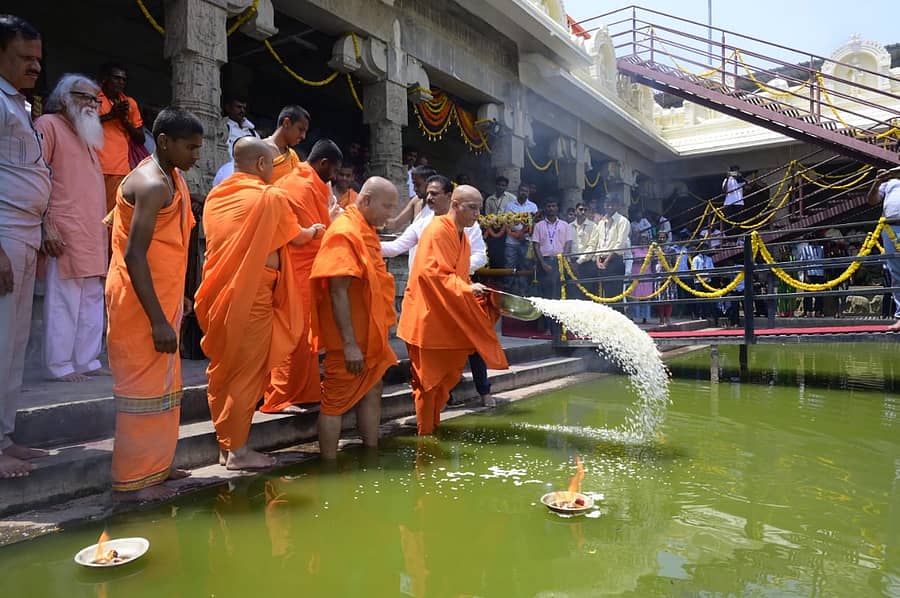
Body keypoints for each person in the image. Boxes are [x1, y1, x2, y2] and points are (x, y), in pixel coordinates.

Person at [195, 137, 324, 470]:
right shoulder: (271, 197)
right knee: (246, 373)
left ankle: (228, 446)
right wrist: (312, 231)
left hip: (217, 293)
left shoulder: (215, 197)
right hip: (251, 295)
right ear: (263, 165)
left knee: (223, 370)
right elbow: (294, 236)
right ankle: (238, 453)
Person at [105, 106, 203, 500]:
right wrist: (159, 320)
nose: (197, 155)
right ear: (165, 142)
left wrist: (175, 297)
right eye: (190, 147)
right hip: (139, 303)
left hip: (162, 297)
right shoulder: (151, 184)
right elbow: (133, 254)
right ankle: (132, 478)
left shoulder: (171, 177)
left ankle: (157, 465)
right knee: (141, 391)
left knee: (165, 385)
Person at [398, 186, 509, 435]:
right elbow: (432, 273)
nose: (477, 214)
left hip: (448, 317)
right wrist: (467, 288)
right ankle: (425, 437)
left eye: (479, 208)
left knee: (447, 380)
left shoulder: (465, 238)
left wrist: (470, 287)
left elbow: (457, 274)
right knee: (428, 383)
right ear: (456, 204)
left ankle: (432, 428)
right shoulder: (437, 230)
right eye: (472, 207)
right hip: (427, 316)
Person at [381, 175, 493, 406]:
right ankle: (439, 400)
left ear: (450, 198)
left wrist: (456, 273)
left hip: (459, 291)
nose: (429, 198)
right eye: (428, 193)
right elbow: (396, 247)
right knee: (428, 354)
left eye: (434, 193)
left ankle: (484, 391)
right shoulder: (425, 222)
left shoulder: (468, 224)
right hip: (429, 296)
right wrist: (365, 242)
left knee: (473, 343)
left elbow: (481, 255)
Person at [310, 177, 400, 458]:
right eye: (387, 206)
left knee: (374, 389)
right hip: (350, 340)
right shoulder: (345, 231)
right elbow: (338, 291)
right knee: (334, 403)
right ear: (367, 200)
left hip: (371, 336)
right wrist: (349, 344)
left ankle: (371, 451)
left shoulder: (366, 229)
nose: (390, 214)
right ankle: (328, 465)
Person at [0, 14, 54, 478]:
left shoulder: (19, 105)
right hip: (3, 234)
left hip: (23, 233)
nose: (35, 67)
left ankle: (3, 438)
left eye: (38, 60)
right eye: (25, 58)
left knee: (13, 345)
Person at [35, 74, 108, 382]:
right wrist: (46, 225)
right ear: (65, 98)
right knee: (65, 298)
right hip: (64, 229)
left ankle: (86, 360)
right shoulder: (48, 125)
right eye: (86, 98)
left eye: (95, 100)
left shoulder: (85, 135)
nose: (93, 105)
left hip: (92, 231)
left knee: (92, 296)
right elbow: (38, 178)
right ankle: (60, 364)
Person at [263, 139, 342, 413]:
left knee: (302, 333)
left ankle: (302, 391)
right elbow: (305, 235)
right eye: (333, 171)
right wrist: (329, 226)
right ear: (323, 163)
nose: (334, 177)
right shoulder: (302, 185)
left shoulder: (299, 181)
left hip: (300, 268)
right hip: (296, 269)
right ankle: (282, 395)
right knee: (293, 332)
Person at [97, 62, 144, 212]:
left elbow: (140, 138)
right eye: (116, 78)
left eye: (123, 80)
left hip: (119, 167)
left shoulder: (129, 103)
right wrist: (111, 116)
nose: (120, 82)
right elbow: (79, 126)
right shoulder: (92, 98)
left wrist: (125, 121)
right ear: (105, 79)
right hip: (93, 164)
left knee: (111, 217)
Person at [578, 195, 631, 306]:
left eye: (612, 204)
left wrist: (606, 261)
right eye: (607, 204)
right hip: (600, 262)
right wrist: (598, 260)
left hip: (614, 261)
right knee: (601, 295)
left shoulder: (623, 221)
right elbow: (598, 244)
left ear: (617, 206)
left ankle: (617, 322)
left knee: (615, 297)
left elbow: (619, 244)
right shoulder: (601, 222)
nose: (609, 207)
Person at [867, 165, 900, 330]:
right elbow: (872, 200)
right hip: (890, 228)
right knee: (895, 273)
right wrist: (877, 181)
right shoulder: (890, 181)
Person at [531, 198, 573, 323]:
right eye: (548, 206)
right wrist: (543, 263)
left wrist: (563, 260)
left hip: (560, 262)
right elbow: (536, 245)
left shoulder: (565, 225)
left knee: (559, 293)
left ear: (557, 208)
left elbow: (568, 243)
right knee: (545, 294)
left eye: (553, 205)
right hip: (544, 262)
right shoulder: (539, 226)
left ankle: (559, 324)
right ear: (545, 208)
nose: (551, 208)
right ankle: (546, 325)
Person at [503, 183, 538, 296]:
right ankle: (509, 290)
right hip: (511, 241)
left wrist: (524, 234)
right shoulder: (510, 205)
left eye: (526, 191)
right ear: (518, 191)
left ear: (528, 193)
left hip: (526, 241)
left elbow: (534, 224)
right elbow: (507, 222)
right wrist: (518, 235)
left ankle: (524, 292)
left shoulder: (533, 206)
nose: (524, 193)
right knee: (509, 265)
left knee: (525, 265)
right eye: (522, 190)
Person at [264, 104, 310, 182]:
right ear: (286, 123)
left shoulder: (293, 156)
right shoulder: (259, 148)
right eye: (300, 129)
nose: (303, 136)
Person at [387, 165, 435, 231]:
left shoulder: (439, 205)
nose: (414, 189)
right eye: (414, 184)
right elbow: (396, 223)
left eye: (418, 185)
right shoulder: (416, 201)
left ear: (430, 184)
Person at [568, 202, 596, 300]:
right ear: (576, 211)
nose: (583, 212)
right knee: (572, 293)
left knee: (587, 293)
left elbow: (592, 247)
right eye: (580, 209)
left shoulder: (593, 226)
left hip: (586, 264)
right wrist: (569, 262)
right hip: (571, 264)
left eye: (585, 210)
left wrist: (578, 262)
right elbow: (567, 245)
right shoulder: (569, 226)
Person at [794, 235, 825, 317]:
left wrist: (824, 273)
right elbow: (803, 263)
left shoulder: (821, 248)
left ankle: (818, 311)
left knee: (819, 294)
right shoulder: (805, 249)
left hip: (819, 273)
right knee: (808, 294)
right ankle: (808, 311)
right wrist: (805, 275)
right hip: (810, 274)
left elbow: (823, 261)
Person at [629, 231, 653, 324]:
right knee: (634, 297)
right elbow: (631, 259)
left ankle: (645, 318)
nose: (643, 241)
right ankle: (634, 317)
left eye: (645, 240)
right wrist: (640, 259)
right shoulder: (634, 249)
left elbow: (653, 259)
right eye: (641, 239)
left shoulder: (650, 249)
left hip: (647, 275)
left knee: (646, 297)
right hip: (636, 275)